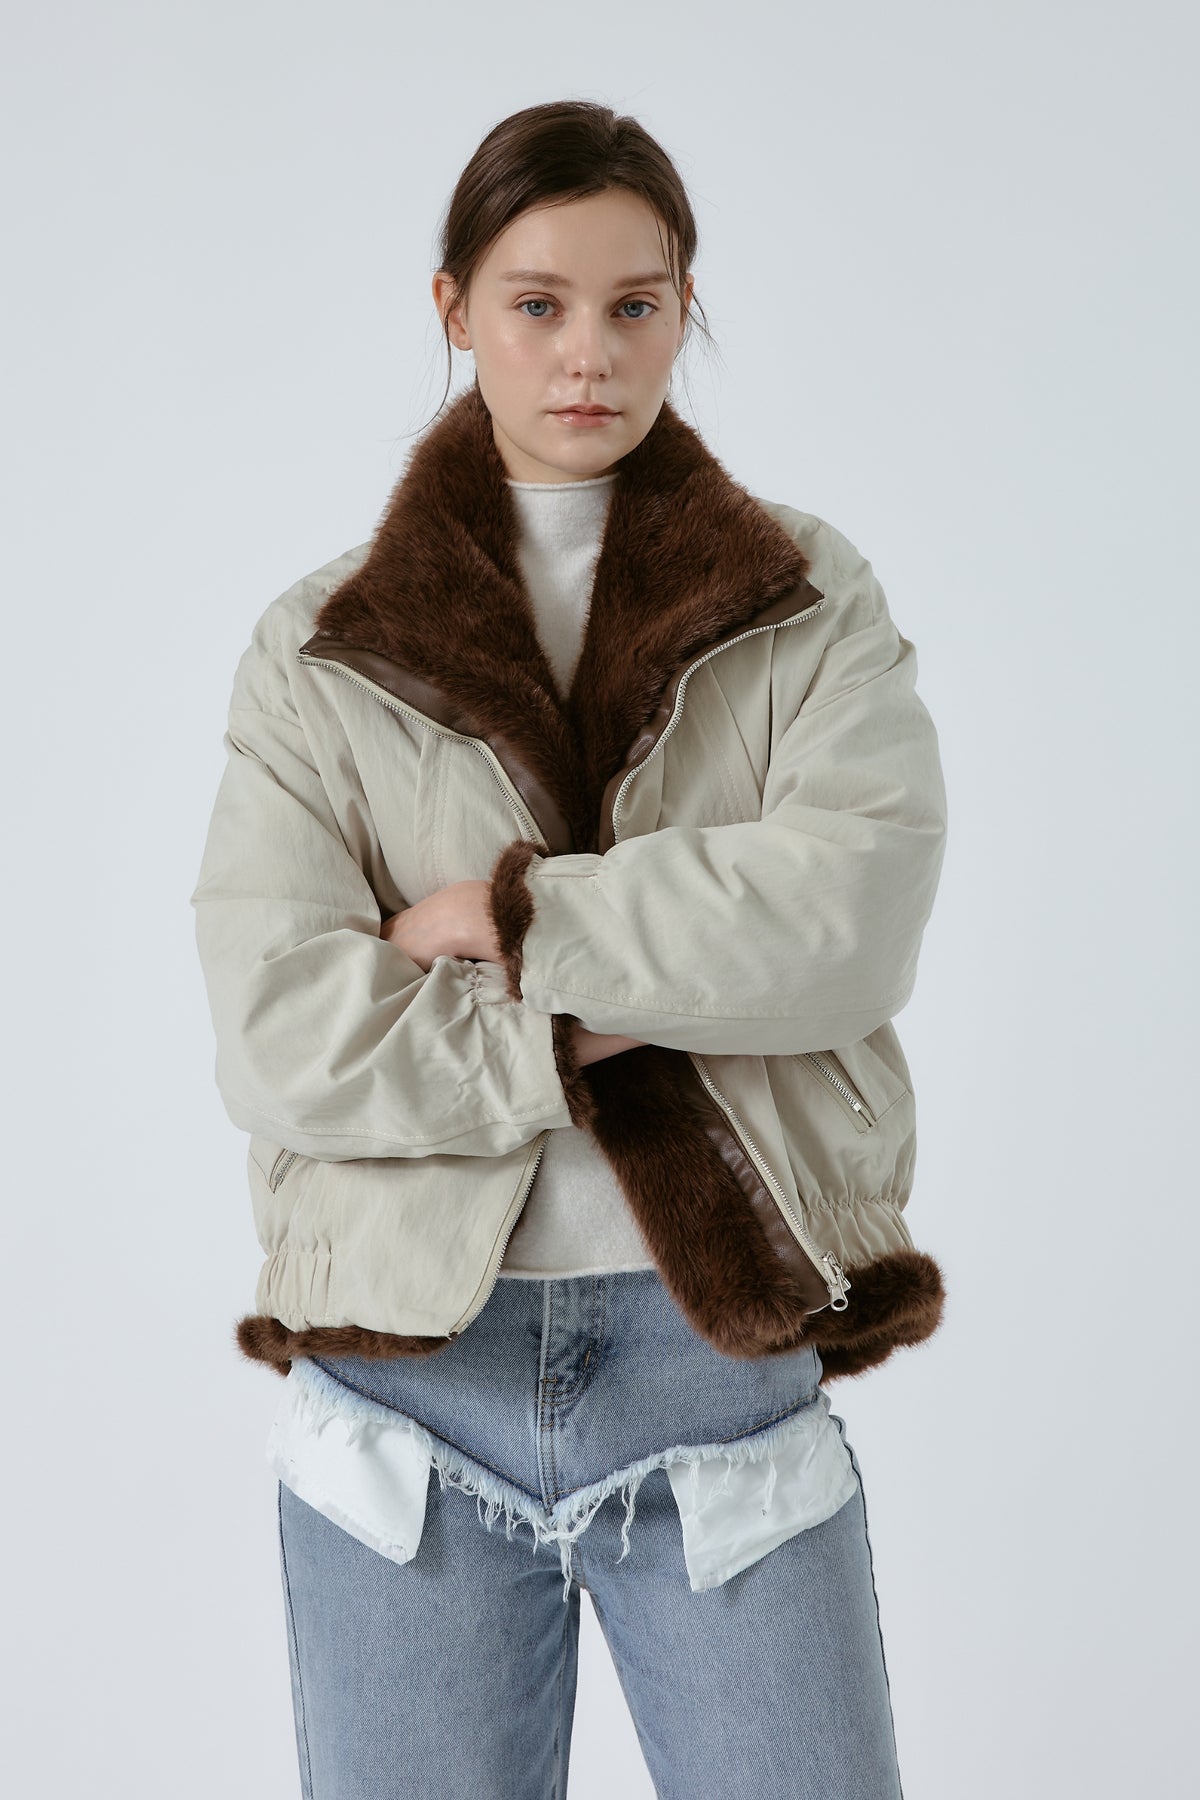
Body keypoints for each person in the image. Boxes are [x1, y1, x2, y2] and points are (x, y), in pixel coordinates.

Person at [190, 98, 948, 1800]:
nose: (588, 351)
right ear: (453, 308)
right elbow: (279, 1032)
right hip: (408, 1383)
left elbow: (853, 916)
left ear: (685, 310)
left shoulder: (810, 598)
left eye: (635, 302)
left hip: (716, 1363)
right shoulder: (317, 648)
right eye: (536, 303)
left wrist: (510, 926)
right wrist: (623, 1002)